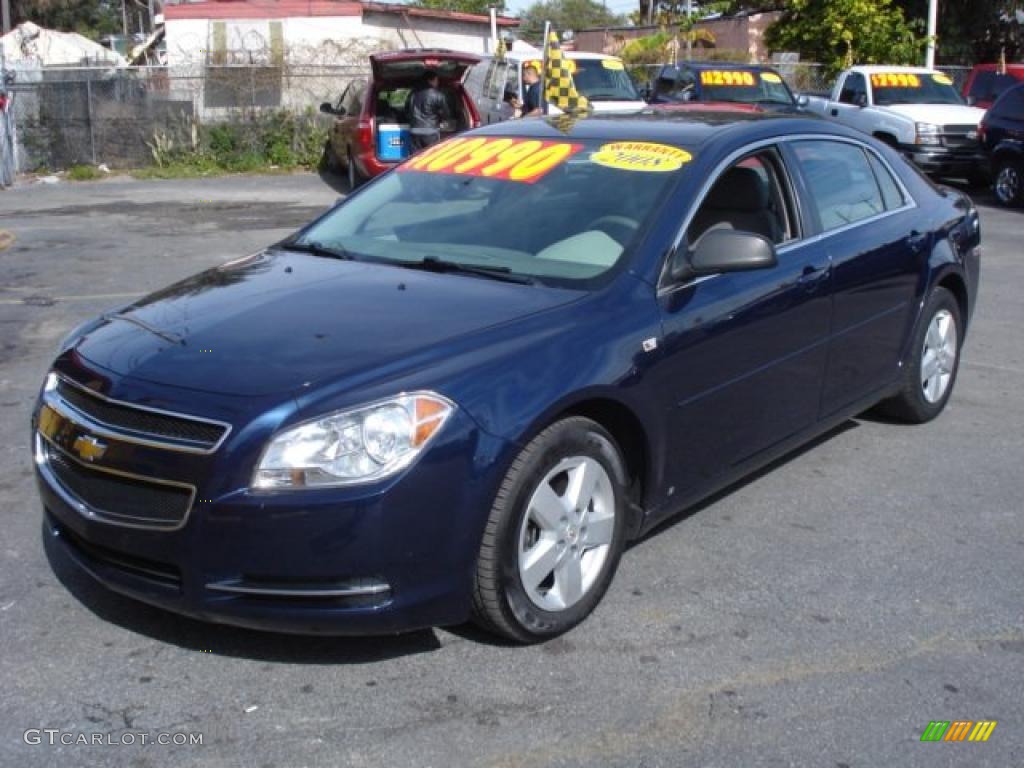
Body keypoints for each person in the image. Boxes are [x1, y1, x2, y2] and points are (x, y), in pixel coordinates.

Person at [407, 70, 450, 151]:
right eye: (436, 80)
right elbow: (446, 114)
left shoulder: (412, 94)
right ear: (430, 80)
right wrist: (441, 121)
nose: (437, 82)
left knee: (415, 159)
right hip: (431, 132)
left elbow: (407, 111)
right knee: (430, 158)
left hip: (414, 132)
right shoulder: (438, 95)